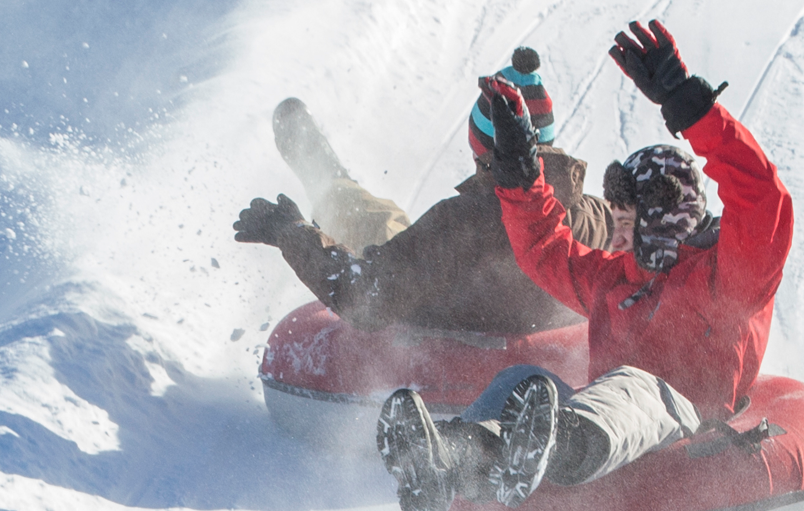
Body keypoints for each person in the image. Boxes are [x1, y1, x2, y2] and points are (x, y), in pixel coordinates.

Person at [376, 19, 796, 511]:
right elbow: (545, 248)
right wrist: (519, 171)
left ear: (663, 219)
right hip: (603, 428)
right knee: (522, 378)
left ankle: (557, 445)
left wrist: (691, 105)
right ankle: (452, 456)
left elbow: (763, 200)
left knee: (637, 387)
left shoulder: (727, 278)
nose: (615, 240)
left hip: (687, 424)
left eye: (627, 224)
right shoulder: (617, 280)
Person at [230, 52, 616, 343]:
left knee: (377, 220)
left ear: (484, 151)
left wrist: (289, 232)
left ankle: (329, 180)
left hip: (441, 320)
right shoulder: (598, 217)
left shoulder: (463, 223)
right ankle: (333, 182)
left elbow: (366, 295)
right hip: (534, 332)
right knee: (394, 223)